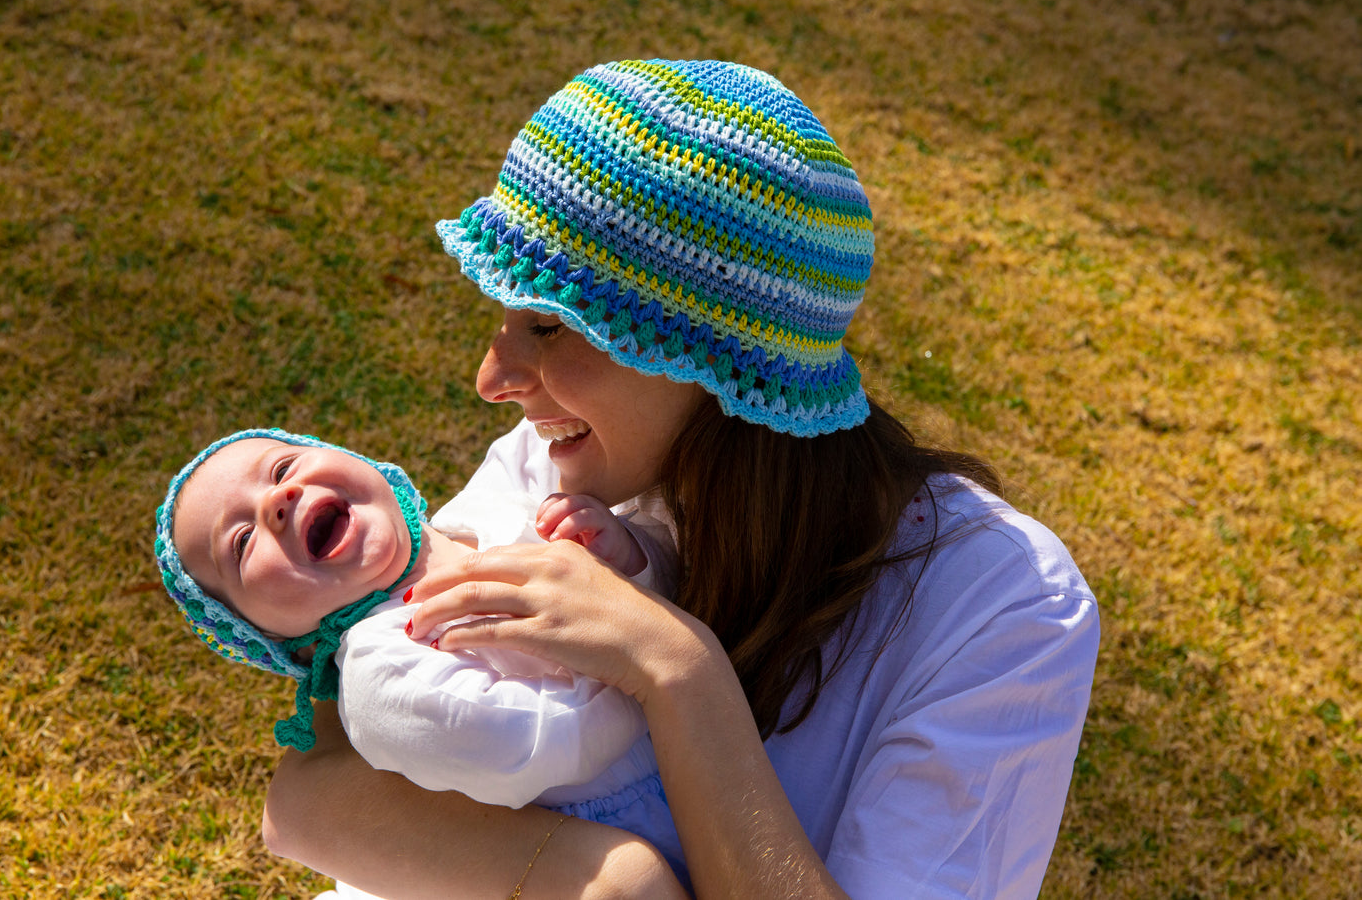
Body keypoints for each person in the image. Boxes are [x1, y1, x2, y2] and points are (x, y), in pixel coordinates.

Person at [261, 59, 1100, 899]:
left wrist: (677, 670)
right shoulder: (556, 462)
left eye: (549, 324)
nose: (493, 377)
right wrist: (600, 876)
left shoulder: (999, 608)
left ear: (706, 356)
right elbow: (309, 794)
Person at [153, 427, 683, 860]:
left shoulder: (495, 506)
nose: (277, 498)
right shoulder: (385, 672)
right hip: (647, 823)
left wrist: (631, 556)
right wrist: (641, 641)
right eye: (242, 542)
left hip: (695, 713)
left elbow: (680, 577)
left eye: (282, 468)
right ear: (279, 642)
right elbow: (554, 743)